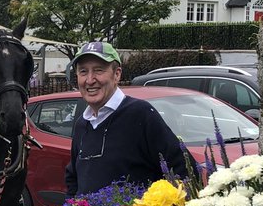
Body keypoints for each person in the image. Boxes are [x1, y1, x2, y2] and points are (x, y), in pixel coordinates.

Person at [64, 41, 187, 197]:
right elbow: (73, 177)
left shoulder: (141, 114)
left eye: (98, 70)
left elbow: (181, 169)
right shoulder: (82, 124)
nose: (89, 80)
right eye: (83, 72)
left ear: (117, 74)